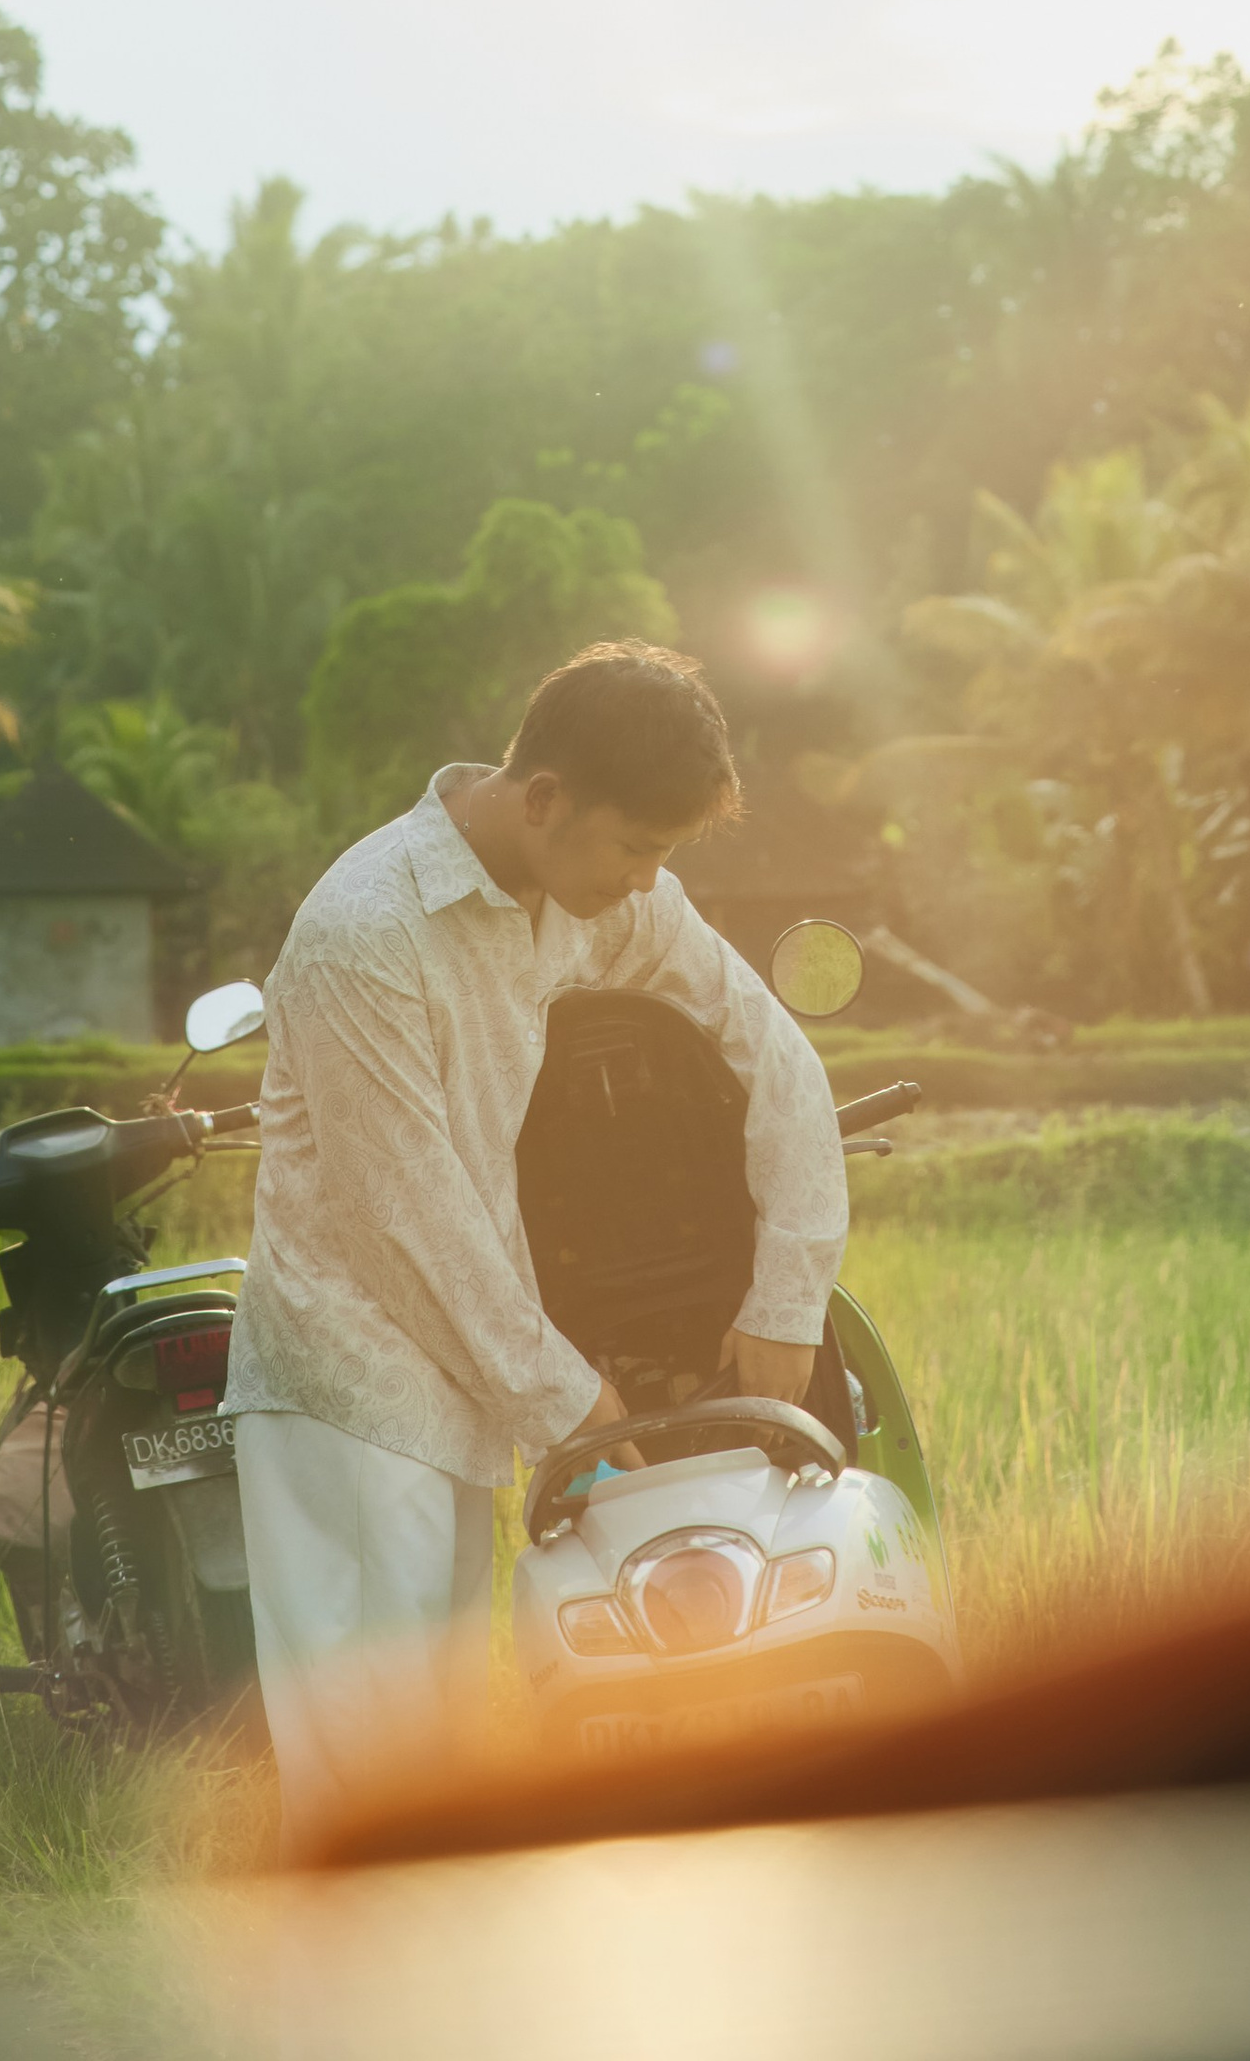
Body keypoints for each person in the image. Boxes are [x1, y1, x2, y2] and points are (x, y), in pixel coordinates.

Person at [223, 640, 849, 1845]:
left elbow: (771, 1051)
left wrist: (785, 1300)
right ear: (545, 797)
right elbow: (407, 1224)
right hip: (352, 1388)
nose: (647, 880)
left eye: (664, 855)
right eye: (635, 847)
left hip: (474, 1374)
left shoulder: (595, 897)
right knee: (371, 1767)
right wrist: (574, 1400)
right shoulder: (367, 930)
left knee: (449, 1752)